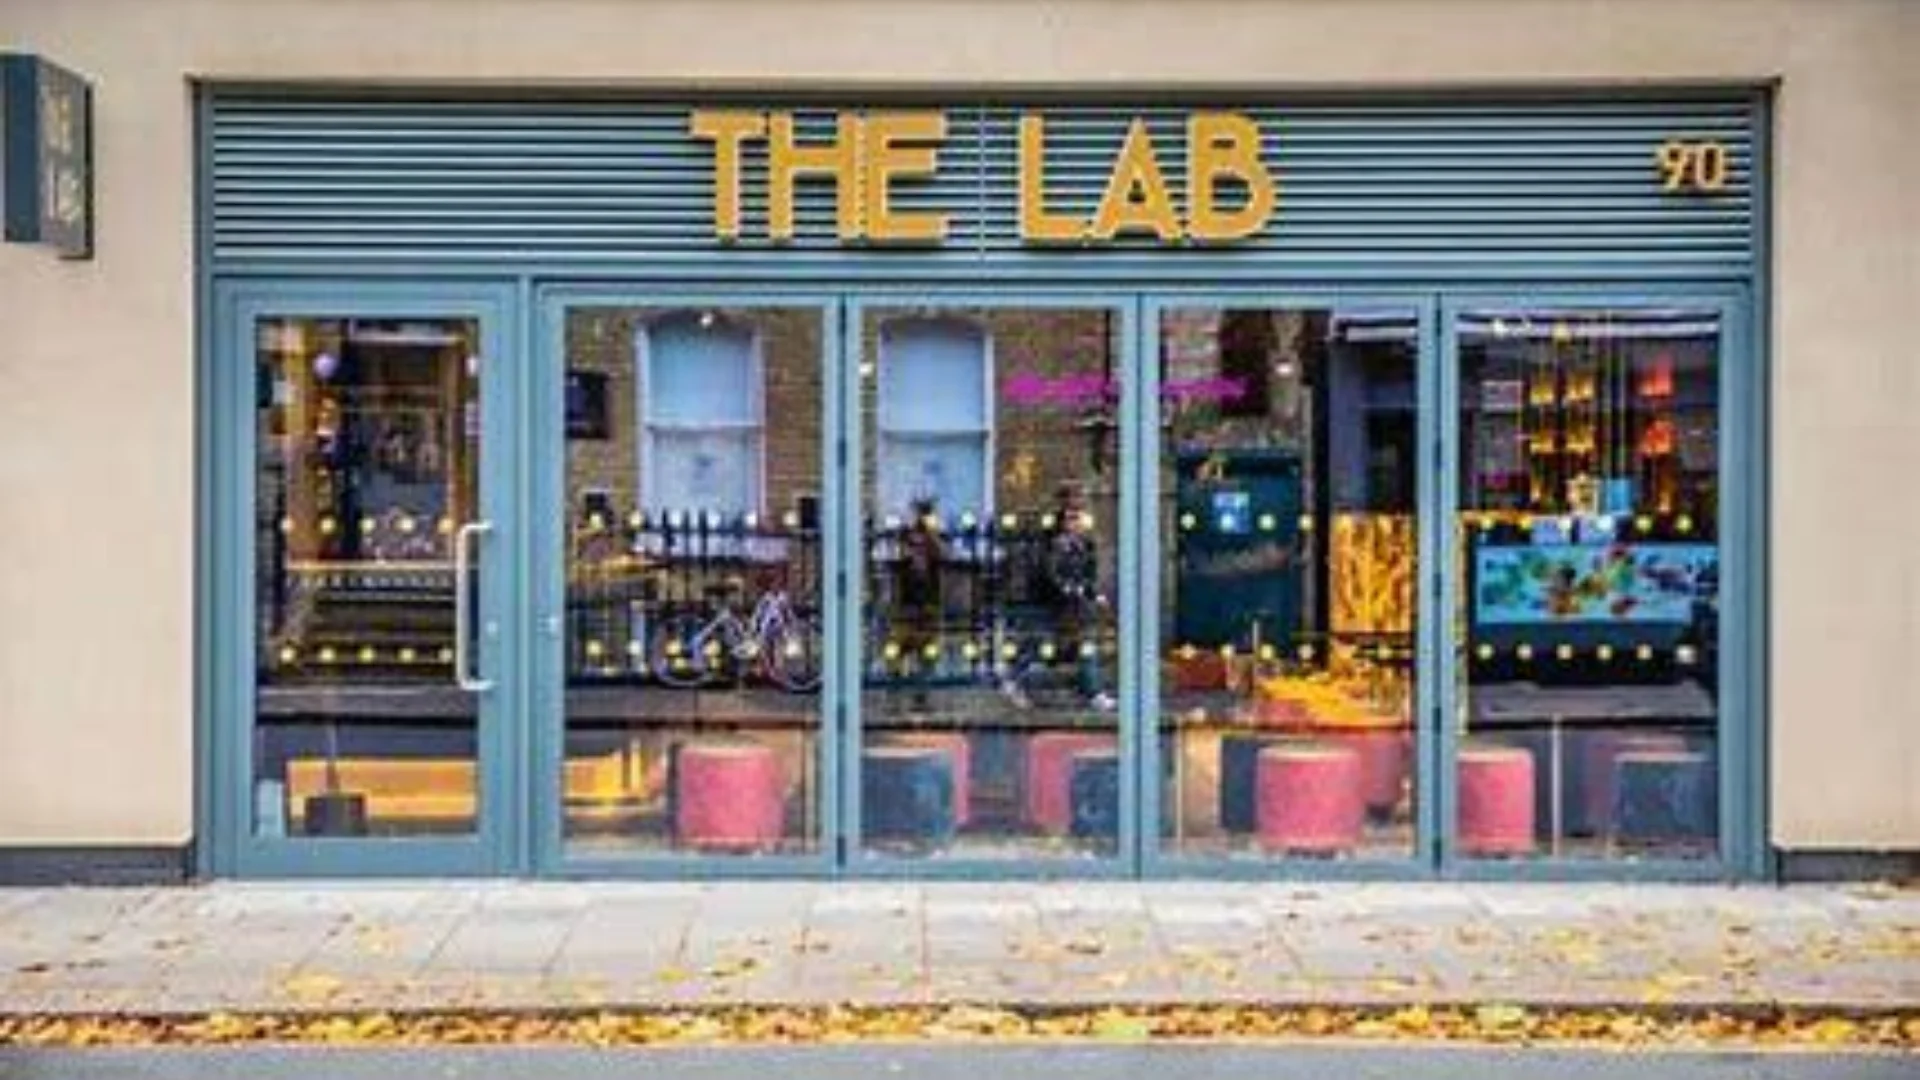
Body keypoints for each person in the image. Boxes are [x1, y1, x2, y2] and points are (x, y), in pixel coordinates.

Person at [1000, 484, 1116, 712]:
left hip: (1072, 608)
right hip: (1052, 605)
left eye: (1079, 518)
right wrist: (1075, 590)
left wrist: (1093, 593)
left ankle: (1094, 692)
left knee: (1085, 646)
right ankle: (1012, 680)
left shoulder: (1085, 544)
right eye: (1072, 518)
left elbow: (1088, 573)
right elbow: (1050, 575)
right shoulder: (1053, 544)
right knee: (1038, 645)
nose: (1077, 522)